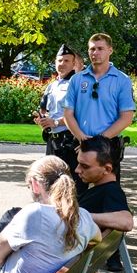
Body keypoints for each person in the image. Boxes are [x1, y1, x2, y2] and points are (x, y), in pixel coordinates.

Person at [0, 135, 133, 273]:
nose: (77, 169)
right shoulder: (101, 190)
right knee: (18, 215)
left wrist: (77, 215)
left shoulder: (111, 191)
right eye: (78, 163)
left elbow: (126, 221)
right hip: (65, 255)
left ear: (107, 168)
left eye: (85, 166)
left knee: (16, 217)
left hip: (55, 255)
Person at [63, 33, 136, 178]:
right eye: (92, 49)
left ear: (110, 50)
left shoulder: (122, 80)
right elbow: (67, 114)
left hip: (108, 147)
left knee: (108, 194)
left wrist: (98, 142)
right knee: (77, 195)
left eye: (100, 48)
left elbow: (126, 118)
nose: (95, 53)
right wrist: (83, 139)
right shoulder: (76, 80)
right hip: (80, 146)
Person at [34, 44, 84, 189]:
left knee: (72, 184)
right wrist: (42, 118)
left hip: (69, 140)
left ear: (74, 64)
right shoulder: (52, 86)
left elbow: (79, 114)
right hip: (53, 141)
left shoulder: (77, 85)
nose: (62, 64)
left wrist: (55, 122)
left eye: (66, 61)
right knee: (51, 182)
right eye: (59, 60)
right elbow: (44, 108)